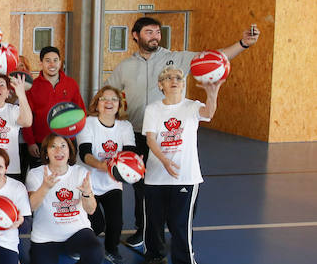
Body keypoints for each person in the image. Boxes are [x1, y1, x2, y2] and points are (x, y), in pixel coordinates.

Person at [106, 16, 260, 247]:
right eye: (149, 32)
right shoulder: (125, 66)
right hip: (139, 133)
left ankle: (176, 228)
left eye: (157, 32)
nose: (155, 36)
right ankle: (144, 228)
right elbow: (109, 93)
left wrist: (243, 44)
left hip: (171, 137)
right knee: (143, 187)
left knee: (174, 183)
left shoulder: (175, 58)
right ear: (136, 36)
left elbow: (215, 57)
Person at [138, 67, 223, 264]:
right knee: (153, 222)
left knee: (179, 224)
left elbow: (209, 113)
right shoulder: (153, 109)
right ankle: (155, 255)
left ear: (183, 83)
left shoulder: (192, 107)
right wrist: (164, 161)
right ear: (160, 85)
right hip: (156, 176)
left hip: (185, 177)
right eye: (168, 78)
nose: (173, 80)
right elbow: (150, 140)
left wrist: (212, 93)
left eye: (178, 77)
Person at [25, 134, 103, 264]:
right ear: (46, 152)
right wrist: (45, 187)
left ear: (70, 151)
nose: (59, 150)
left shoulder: (81, 172)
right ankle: (37, 254)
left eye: (63, 145)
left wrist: (87, 193)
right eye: (53, 146)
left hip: (76, 233)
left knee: (96, 252)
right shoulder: (36, 174)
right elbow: (31, 207)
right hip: (46, 237)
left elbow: (91, 210)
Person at [77, 85, 136, 264]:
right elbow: (84, 153)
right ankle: (77, 244)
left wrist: (133, 165)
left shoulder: (125, 127)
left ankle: (111, 250)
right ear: (97, 104)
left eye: (113, 99)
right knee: (97, 225)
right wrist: (104, 166)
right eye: (104, 99)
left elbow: (130, 153)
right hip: (89, 182)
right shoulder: (87, 123)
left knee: (116, 222)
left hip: (111, 183)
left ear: (119, 104)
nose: (109, 102)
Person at [22, 46, 86, 167]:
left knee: (66, 179)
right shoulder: (32, 86)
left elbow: (81, 112)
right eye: (48, 60)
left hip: (66, 142)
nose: (52, 64)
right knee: (41, 178)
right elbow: (27, 117)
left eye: (55, 60)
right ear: (41, 63)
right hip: (41, 143)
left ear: (60, 62)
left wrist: (73, 136)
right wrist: (30, 142)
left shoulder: (71, 83)